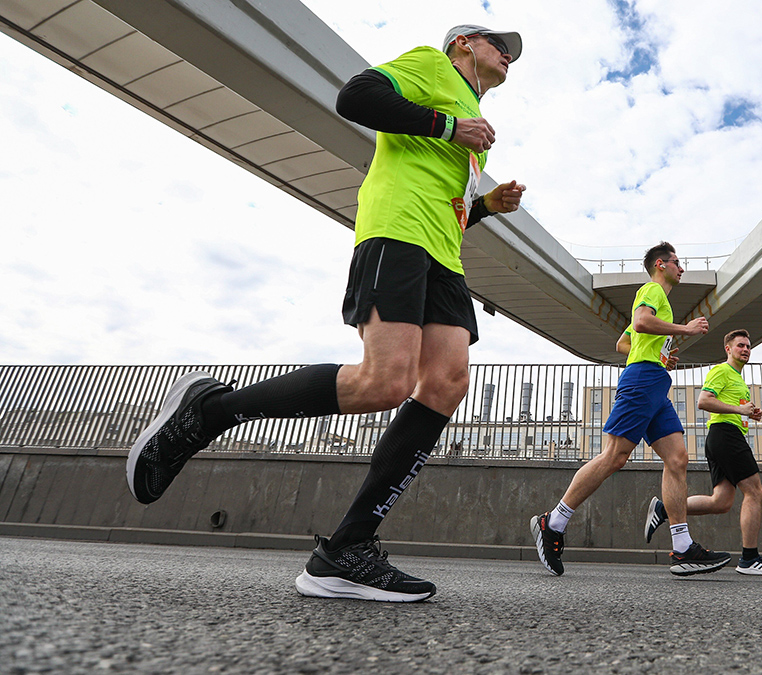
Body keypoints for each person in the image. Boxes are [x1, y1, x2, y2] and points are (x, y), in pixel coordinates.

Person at [125, 24, 527, 602]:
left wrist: (485, 205)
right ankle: (209, 411)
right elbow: (355, 96)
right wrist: (447, 125)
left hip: (443, 253)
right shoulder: (433, 68)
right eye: (500, 44)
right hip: (397, 233)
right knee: (385, 382)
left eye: (513, 53)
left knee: (445, 382)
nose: (509, 55)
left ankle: (347, 549)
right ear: (463, 42)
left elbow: (453, 212)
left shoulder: (472, 112)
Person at [530, 242, 731, 577]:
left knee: (677, 457)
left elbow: (623, 343)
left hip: (655, 382)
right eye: (677, 263)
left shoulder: (659, 300)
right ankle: (553, 521)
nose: (682, 268)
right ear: (660, 265)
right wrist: (685, 329)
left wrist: (660, 355)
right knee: (614, 456)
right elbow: (639, 324)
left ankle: (682, 549)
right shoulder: (652, 290)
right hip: (641, 381)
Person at [643, 329, 762, 575]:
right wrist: (739, 412)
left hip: (726, 436)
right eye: (740, 345)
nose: (746, 350)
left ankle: (665, 509)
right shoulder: (722, 370)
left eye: (748, 346)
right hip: (725, 435)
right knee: (754, 490)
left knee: (721, 502)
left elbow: (730, 407)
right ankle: (749, 559)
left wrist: (749, 413)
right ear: (728, 349)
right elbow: (704, 401)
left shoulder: (739, 380)